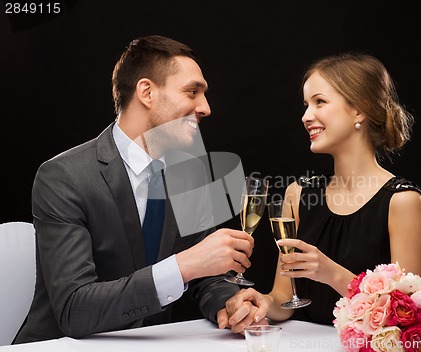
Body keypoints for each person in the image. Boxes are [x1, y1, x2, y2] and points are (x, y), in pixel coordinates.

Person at [14, 35, 258, 343]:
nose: (205, 108)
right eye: (192, 92)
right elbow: (74, 309)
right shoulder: (63, 177)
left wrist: (230, 302)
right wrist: (182, 266)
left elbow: (206, 277)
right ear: (147, 92)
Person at [221, 53, 421, 329]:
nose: (306, 116)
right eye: (306, 105)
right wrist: (263, 303)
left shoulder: (402, 202)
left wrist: (330, 273)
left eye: (320, 102)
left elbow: (407, 316)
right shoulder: (298, 194)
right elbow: (285, 296)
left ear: (360, 110)